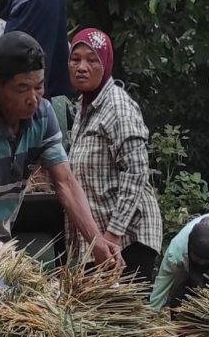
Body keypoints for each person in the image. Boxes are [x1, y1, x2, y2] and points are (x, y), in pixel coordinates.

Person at [0, 30, 122, 269]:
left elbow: (66, 184)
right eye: (23, 88)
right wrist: (8, 273)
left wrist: (98, 244)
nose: (33, 98)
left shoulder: (42, 115)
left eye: (39, 87)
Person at [66, 28, 162, 280]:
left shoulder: (117, 105)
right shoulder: (84, 108)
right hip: (101, 243)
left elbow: (136, 171)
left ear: (106, 63)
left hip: (127, 240)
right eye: (75, 59)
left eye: (92, 60)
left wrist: (114, 233)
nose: (81, 67)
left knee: (124, 318)